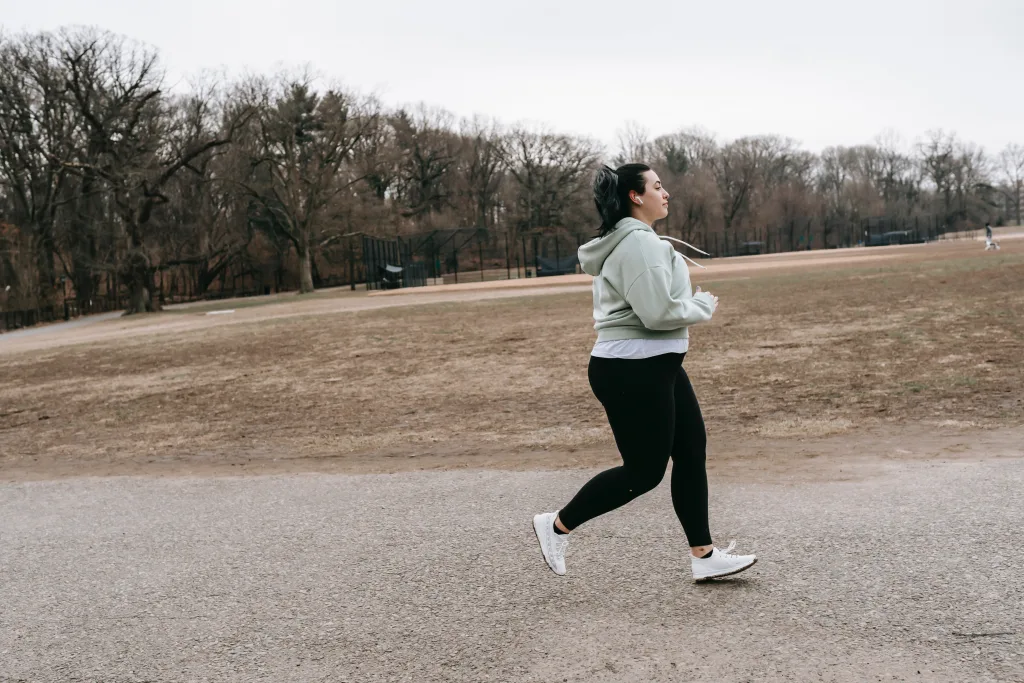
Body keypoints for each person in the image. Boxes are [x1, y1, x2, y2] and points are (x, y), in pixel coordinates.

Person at [532, 163, 757, 582]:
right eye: (657, 186)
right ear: (636, 196)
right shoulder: (637, 243)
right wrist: (702, 305)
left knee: (690, 450)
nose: (665, 192)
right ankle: (557, 525)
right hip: (632, 369)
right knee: (644, 472)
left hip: (655, 364)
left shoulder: (638, 240)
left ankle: (703, 557)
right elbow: (656, 313)